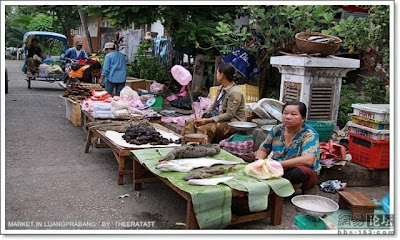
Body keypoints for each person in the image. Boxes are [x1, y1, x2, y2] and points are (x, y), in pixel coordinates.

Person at [255, 101, 320, 191]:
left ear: (303, 118)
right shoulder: (277, 129)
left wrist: (277, 165)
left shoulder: (309, 134)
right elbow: (263, 150)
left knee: (298, 173)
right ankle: (273, 184)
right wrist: (260, 161)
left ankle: (284, 189)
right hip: (276, 169)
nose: (288, 117)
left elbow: (308, 160)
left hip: (295, 171)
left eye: (294, 114)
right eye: (285, 113)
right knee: (246, 157)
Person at [182, 62, 246, 143]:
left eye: (217, 73)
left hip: (232, 123)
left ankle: (200, 149)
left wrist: (208, 120)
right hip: (219, 118)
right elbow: (213, 106)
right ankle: (181, 143)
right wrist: (203, 115)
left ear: (222, 75)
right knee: (190, 122)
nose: (216, 75)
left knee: (203, 129)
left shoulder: (235, 92)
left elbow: (229, 115)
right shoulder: (221, 88)